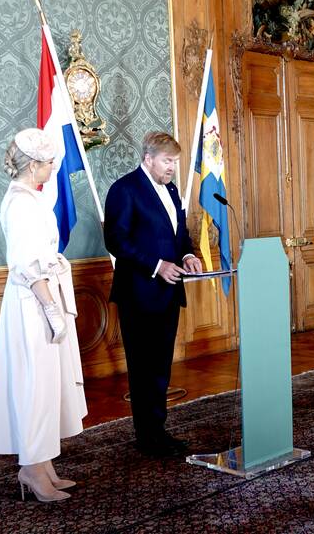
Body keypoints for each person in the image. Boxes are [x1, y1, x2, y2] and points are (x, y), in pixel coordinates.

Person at [0, 128, 87, 503]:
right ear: (32, 166)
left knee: (46, 385)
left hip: (43, 298)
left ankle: (43, 464)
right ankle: (31, 468)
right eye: (48, 164)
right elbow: (27, 265)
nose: (53, 169)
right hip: (32, 303)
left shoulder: (30, 197)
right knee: (35, 386)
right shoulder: (21, 203)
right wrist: (50, 309)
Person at [103, 131, 203, 457]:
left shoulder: (172, 190)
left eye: (175, 161)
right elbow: (115, 241)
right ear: (148, 159)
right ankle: (147, 437)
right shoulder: (124, 189)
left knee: (160, 366)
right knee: (143, 368)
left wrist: (187, 254)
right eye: (167, 161)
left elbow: (179, 234)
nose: (173, 167)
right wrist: (157, 265)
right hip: (139, 292)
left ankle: (158, 431)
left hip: (169, 293)